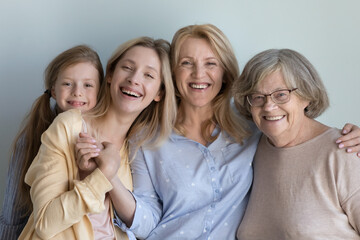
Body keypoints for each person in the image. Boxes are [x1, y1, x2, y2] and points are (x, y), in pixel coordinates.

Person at [77, 24, 360, 239]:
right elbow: (147, 220)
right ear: (172, 74)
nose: (199, 75)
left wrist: (349, 138)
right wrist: (108, 177)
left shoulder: (254, 128)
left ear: (224, 72)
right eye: (186, 63)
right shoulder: (146, 140)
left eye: (210, 64)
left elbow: (301, 135)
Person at [18, 37, 176, 240]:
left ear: (160, 92)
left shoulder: (138, 151)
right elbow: (45, 224)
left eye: (148, 75)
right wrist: (101, 176)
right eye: (127, 67)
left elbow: (147, 225)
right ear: (110, 74)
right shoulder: (69, 126)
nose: (134, 79)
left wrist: (109, 176)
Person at [234, 49, 360, 239]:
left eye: (281, 94)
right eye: (258, 97)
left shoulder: (344, 151)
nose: (268, 106)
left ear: (306, 95)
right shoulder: (251, 148)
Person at [0, 45, 104, 240]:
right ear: (54, 90)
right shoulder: (33, 136)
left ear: (100, 92)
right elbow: (12, 210)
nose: (77, 92)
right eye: (67, 84)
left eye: (88, 85)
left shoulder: (104, 136)